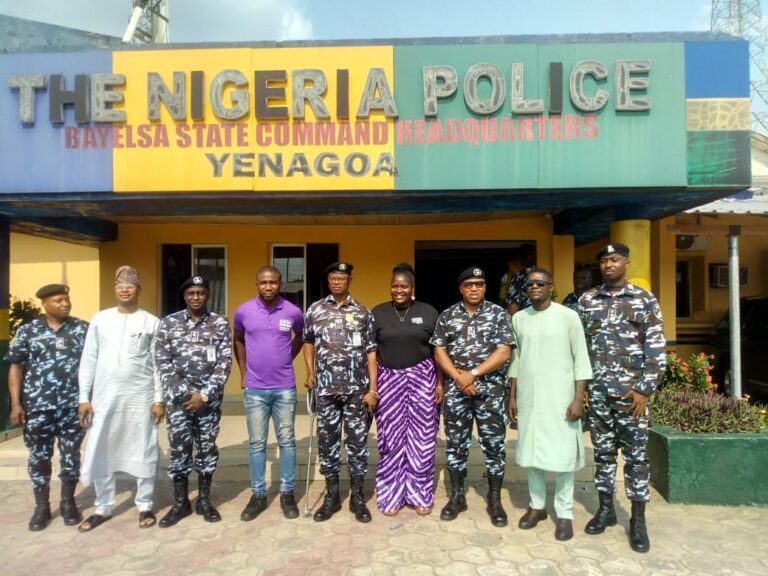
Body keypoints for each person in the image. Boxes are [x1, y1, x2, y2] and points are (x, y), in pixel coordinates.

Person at [577, 243, 666, 553]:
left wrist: (644, 389)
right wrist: (581, 389)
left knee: (636, 458)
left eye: (614, 259)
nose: (608, 265)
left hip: (631, 395)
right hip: (598, 393)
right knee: (603, 454)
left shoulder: (644, 299)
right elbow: (579, 347)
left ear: (626, 262)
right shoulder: (587, 300)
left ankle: (638, 520)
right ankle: (606, 510)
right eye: (604, 261)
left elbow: (656, 348)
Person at [77, 266, 165, 531]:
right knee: (103, 447)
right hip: (105, 398)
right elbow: (89, 359)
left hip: (140, 398)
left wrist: (159, 399)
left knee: (144, 448)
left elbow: (158, 364)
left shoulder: (151, 322)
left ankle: (145, 504)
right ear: (115, 289)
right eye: (120, 285)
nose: (124, 289)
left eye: (130, 285)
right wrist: (84, 397)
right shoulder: (100, 319)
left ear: (139, 290)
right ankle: (103, 507)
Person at [507, 268, 593, 541]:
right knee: (533, 453)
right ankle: (537, 507)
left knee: (563, 455)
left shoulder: (568, 316)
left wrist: (579, 398)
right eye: (530, 283)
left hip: (561, 398)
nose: (534, 287)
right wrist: (512, 396)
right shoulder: (519, 318)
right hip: (529, 398)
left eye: (540, 283)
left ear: (551, 287)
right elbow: (516, 361)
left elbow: (581, 358)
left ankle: (564, 513)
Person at [431, 266, 515, 527]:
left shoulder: (498, 314)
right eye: (469, 284)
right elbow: (439, 351)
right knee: (456, 445)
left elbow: (504, 352)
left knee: (494, 446)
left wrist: (473, 374)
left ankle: (494, 500)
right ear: (461, 288)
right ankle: (457, 497)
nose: (474, 288)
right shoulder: (447, 315)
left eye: (479, 284)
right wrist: (459, 378)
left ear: (485, 287)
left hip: (490, 391)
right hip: (458, 392)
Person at [5, 284, 89, 531]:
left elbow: (93, 364)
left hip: (72, 407)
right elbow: (15, 367)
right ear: (44, 304)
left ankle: (68, 503)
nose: (65, 304)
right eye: (59, 300)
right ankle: (41, 507)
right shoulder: (28, 331)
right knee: (39, 458)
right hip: (38, 407)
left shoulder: (82, 329)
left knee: (71, 456)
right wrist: (16, 404)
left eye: (67, 299)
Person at [153, 275, 232, 527]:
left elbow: (224, 363)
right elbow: (161, 361)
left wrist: (204, 395)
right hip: (179, 402)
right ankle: (180, 503)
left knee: (207, 448)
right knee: (179, 450)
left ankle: (204, 501)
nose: (196, 297)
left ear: (207, 294)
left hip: (208, 402)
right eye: (191, 293)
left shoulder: (219, 323)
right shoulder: (169, 323)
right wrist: (185, 394)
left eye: (200, 293)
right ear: (184, 296)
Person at [303, 262, 377, 523]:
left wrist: (373, 388)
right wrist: (310, 372)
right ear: (328, 281)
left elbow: (371, 351)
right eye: (333, 278)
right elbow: (308, 342)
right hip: (325, 390)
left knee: (357, 444)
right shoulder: (315, 309)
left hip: (357, 390)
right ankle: (332, 496)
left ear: (349, 280)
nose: (337, 282)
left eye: (342, 278)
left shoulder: (363, 312)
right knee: (327, 443)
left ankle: (357, 497)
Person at [233, 266, 304, 521]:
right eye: (264, 282)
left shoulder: (293, 312)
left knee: (287, 441)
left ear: (280, 284)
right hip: (255, 389)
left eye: (273, 282)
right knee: (256, 443)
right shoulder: (243, 311)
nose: (268, 286)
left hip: (284, 387)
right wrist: (243, 373)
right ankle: (258, 495)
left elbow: (301, 336)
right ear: (257, 283)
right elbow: (238, 339)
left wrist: (287, 358)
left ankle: (287, 493)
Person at [371, 263, 442, 516]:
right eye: (395, 286)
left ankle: (420, 494)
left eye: (404, 286)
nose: (398, 290)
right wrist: (372, 388)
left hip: (423, 380)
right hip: (388, 382)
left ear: (412, 288)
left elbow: (438, 351)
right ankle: (391, 495)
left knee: (422, 439)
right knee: (390, 438)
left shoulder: (429, 312)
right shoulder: (378, 313)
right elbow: (370, 352)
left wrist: (440, 383)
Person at [503, 249, 532, 316]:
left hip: (525, 318)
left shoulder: (517, 280)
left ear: (510, 264)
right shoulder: (537, 275)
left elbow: (512, 309)